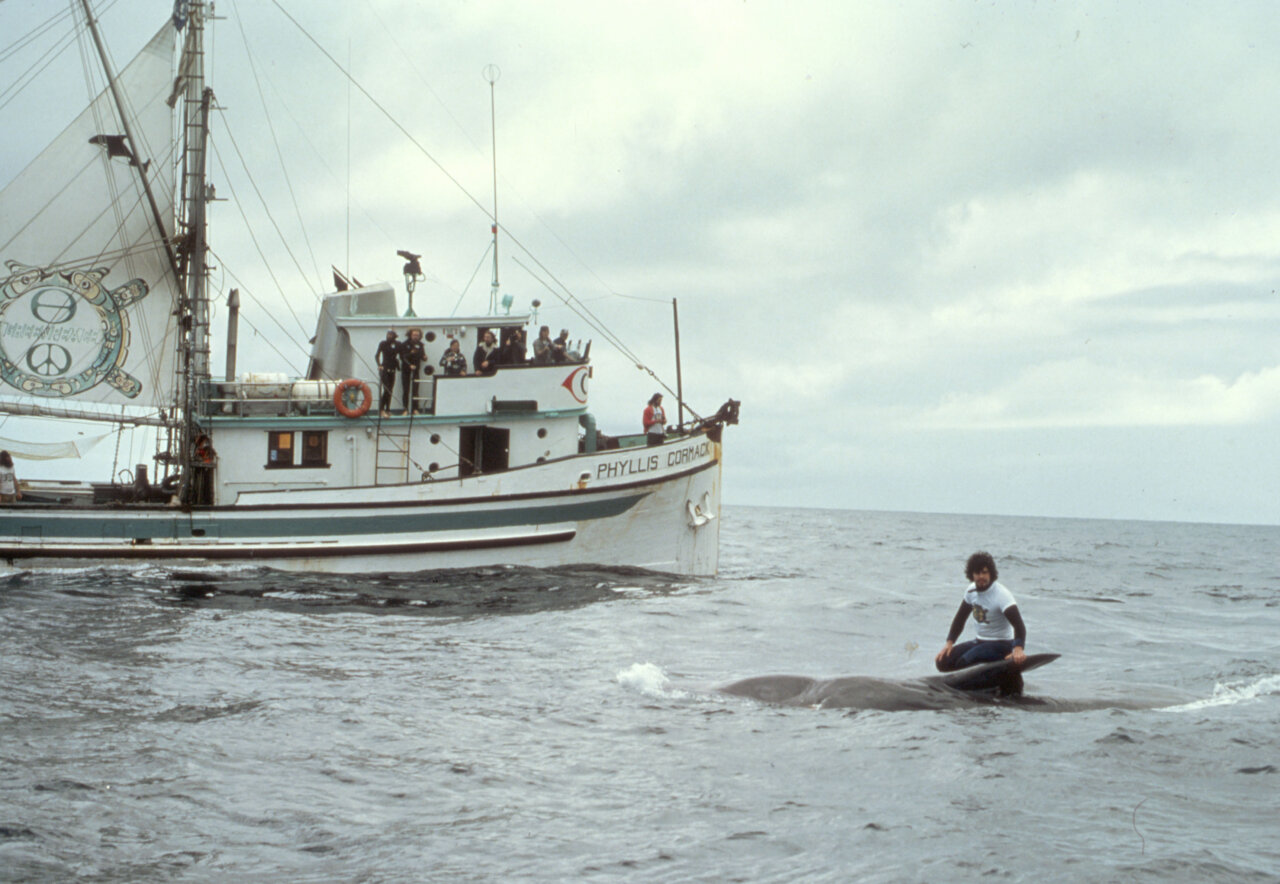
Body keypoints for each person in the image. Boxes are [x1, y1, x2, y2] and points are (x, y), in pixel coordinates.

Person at [935, 551, 1027, 672]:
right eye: (977, 573)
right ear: (972, 575)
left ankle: (999, 668)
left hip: (1002, 644)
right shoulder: (970, 592)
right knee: (942, 662)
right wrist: (949, 643)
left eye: (985, 572)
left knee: (965, 661)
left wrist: (1018, 648)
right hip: (980, 641)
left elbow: (1019, 626)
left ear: (991, 573)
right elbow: (960, 619)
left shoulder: (1001, 595)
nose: (981, 577)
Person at [400, 328, 426, 413]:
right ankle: (405, 409)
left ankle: (415, 408)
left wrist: (424, 357)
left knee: (415, 389)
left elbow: (422, 355)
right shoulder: (404, 344)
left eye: (417, 335)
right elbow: (403, 357)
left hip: (416, 370)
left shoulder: (421, 345)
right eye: (414, 335)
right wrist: (409, 363)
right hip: (406, 370)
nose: (415, 337)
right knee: (406, 390)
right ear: (410, 335)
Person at [375, 329, 400, 417]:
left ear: (394, 336)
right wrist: (379, 365)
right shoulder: (383, 343)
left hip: (393, 369)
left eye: (391, 335)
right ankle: (381, 409)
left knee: (390, 390)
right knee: (386, 389)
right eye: (388, 334)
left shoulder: (397, 344)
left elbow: (402, 354)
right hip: (384, 369)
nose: (388, 336)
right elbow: (377, 355)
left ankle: (388, 409)